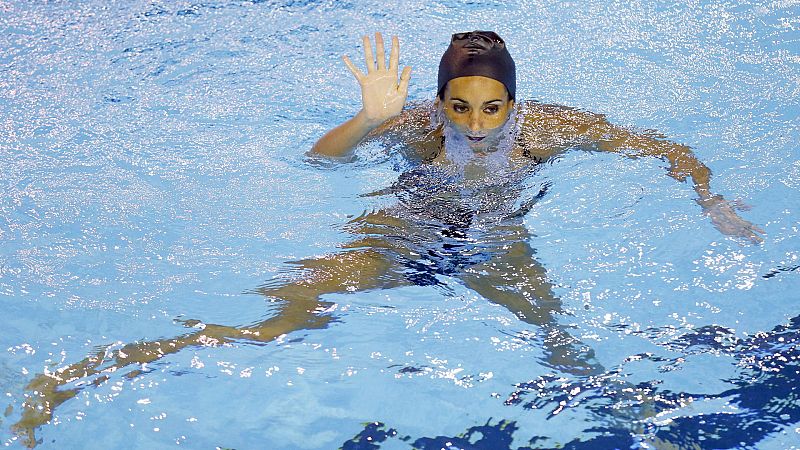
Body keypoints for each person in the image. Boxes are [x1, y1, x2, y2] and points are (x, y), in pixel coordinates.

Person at [13, 31, 762, 448]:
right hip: (399, 238)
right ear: (438, 102)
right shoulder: (414, 126)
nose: (474, 125)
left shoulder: (553, 128)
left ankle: (649, 434)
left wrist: (710, 197)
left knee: (561, 343)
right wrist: (371, 117)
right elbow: (319, 159)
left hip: (496, 247)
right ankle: (71, 379)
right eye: (459, 107)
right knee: (274, 328)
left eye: (491, 107)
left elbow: (656, 145)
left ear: (514, 101)